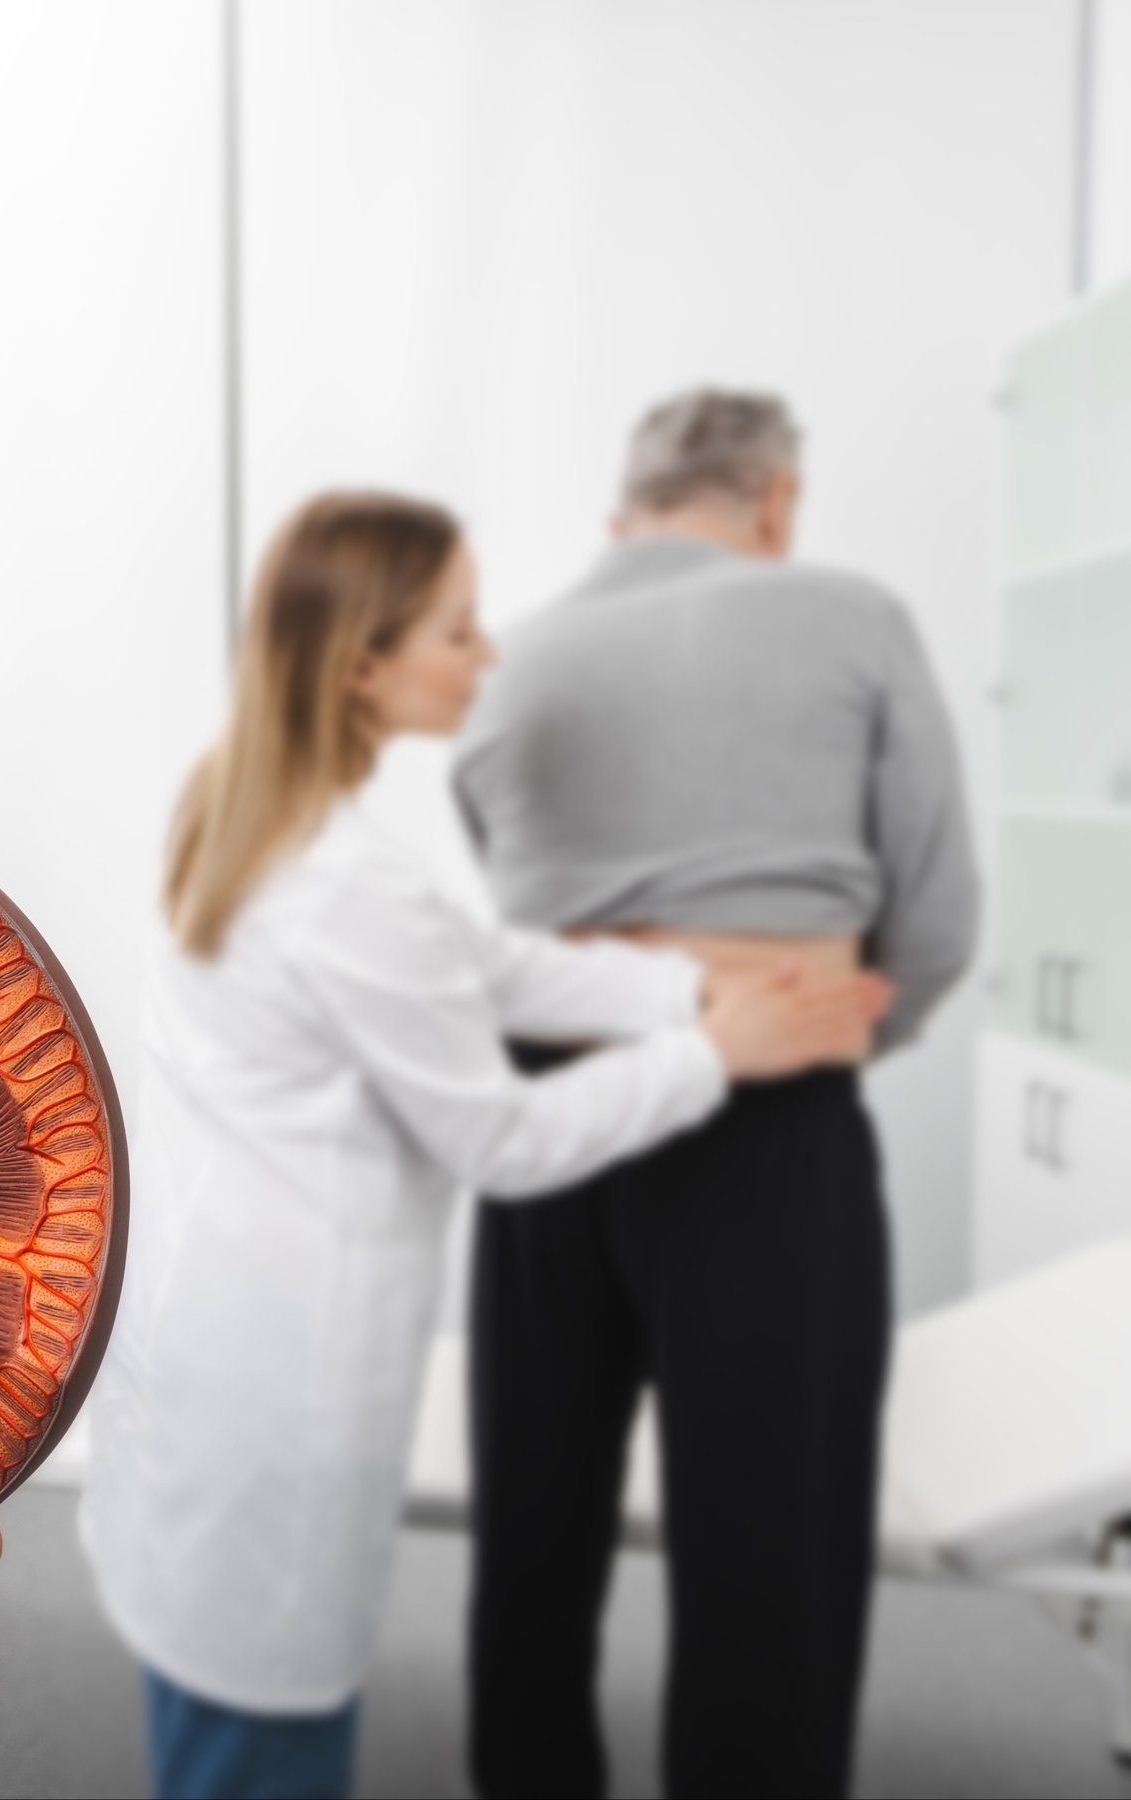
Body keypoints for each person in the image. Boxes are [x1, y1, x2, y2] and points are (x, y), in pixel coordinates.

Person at [77, 491, 890, 1800]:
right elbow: (505, 1139)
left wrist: (684, 987)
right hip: (279, 1389)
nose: (488, 654)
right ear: (363, 666)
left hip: (209, 1330)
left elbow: (477, 966)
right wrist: (713, 1054)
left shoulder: (242, 807)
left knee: (208, 1715)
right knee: (258, 1748)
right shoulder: (343, 885)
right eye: (457, 631)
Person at [451, 388, 981, 1799]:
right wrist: (812, 1031)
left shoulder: (504, 654)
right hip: (768, 1135)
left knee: (534, 1533)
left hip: (547, 1111)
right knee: (770, 1554)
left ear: (620, 514)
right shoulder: (852, 617)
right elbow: (936, 916)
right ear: (774, 500)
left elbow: (500, 884)